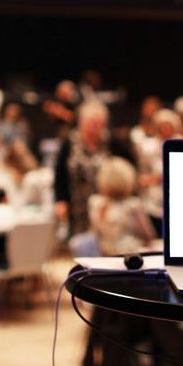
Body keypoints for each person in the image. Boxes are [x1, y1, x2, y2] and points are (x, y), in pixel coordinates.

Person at [54, 101, 133, 235]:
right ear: (81, 122)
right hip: (78, 204)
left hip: (107, 206)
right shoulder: (70, 143)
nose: (95, 127)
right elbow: (60, 173)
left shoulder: (111, 142)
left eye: (99, 123)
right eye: (91, 123)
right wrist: (60, 200)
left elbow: (129, 166)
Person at [88, 157, 156, 256]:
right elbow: (148, 235)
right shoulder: (133, 205)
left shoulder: (95, 203)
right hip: (131, 257)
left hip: (104, 255)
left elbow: (94, 234)